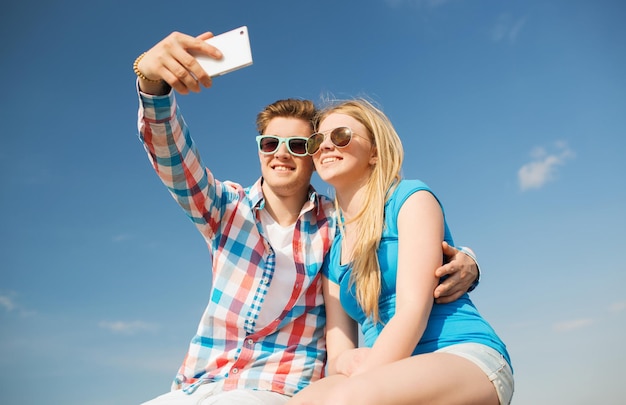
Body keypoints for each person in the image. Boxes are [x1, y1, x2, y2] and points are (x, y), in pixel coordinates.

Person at [133, 31, 481, 405]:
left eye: (298, 145)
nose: (281, 154)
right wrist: (151, 84)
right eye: (270, 143)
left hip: (276, 388)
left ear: (314, 156)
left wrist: (466, 259)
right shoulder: (224, 209)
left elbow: (400, 235)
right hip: (196, 385)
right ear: (259, 150)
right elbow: (173, 157)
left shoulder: (337, 224)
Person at [287, 100, 514, 405]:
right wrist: (346, 363)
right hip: (384, 371)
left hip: (459, 353)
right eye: (317, 140)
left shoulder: (410, 199)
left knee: (350, 399)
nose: (326, 146)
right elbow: (339, 348)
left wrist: (363, 377)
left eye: (340, 135)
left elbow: (412, 310)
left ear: (375, 152)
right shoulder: (333, 251)